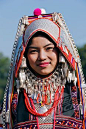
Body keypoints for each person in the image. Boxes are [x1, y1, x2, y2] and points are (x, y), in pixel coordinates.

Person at [0, 8, 86, 129]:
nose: (42, 57)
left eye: (49, 48)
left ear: (60, 50)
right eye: (34, 51)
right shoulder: (15, 99)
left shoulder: (77, 95)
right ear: (25, 56)